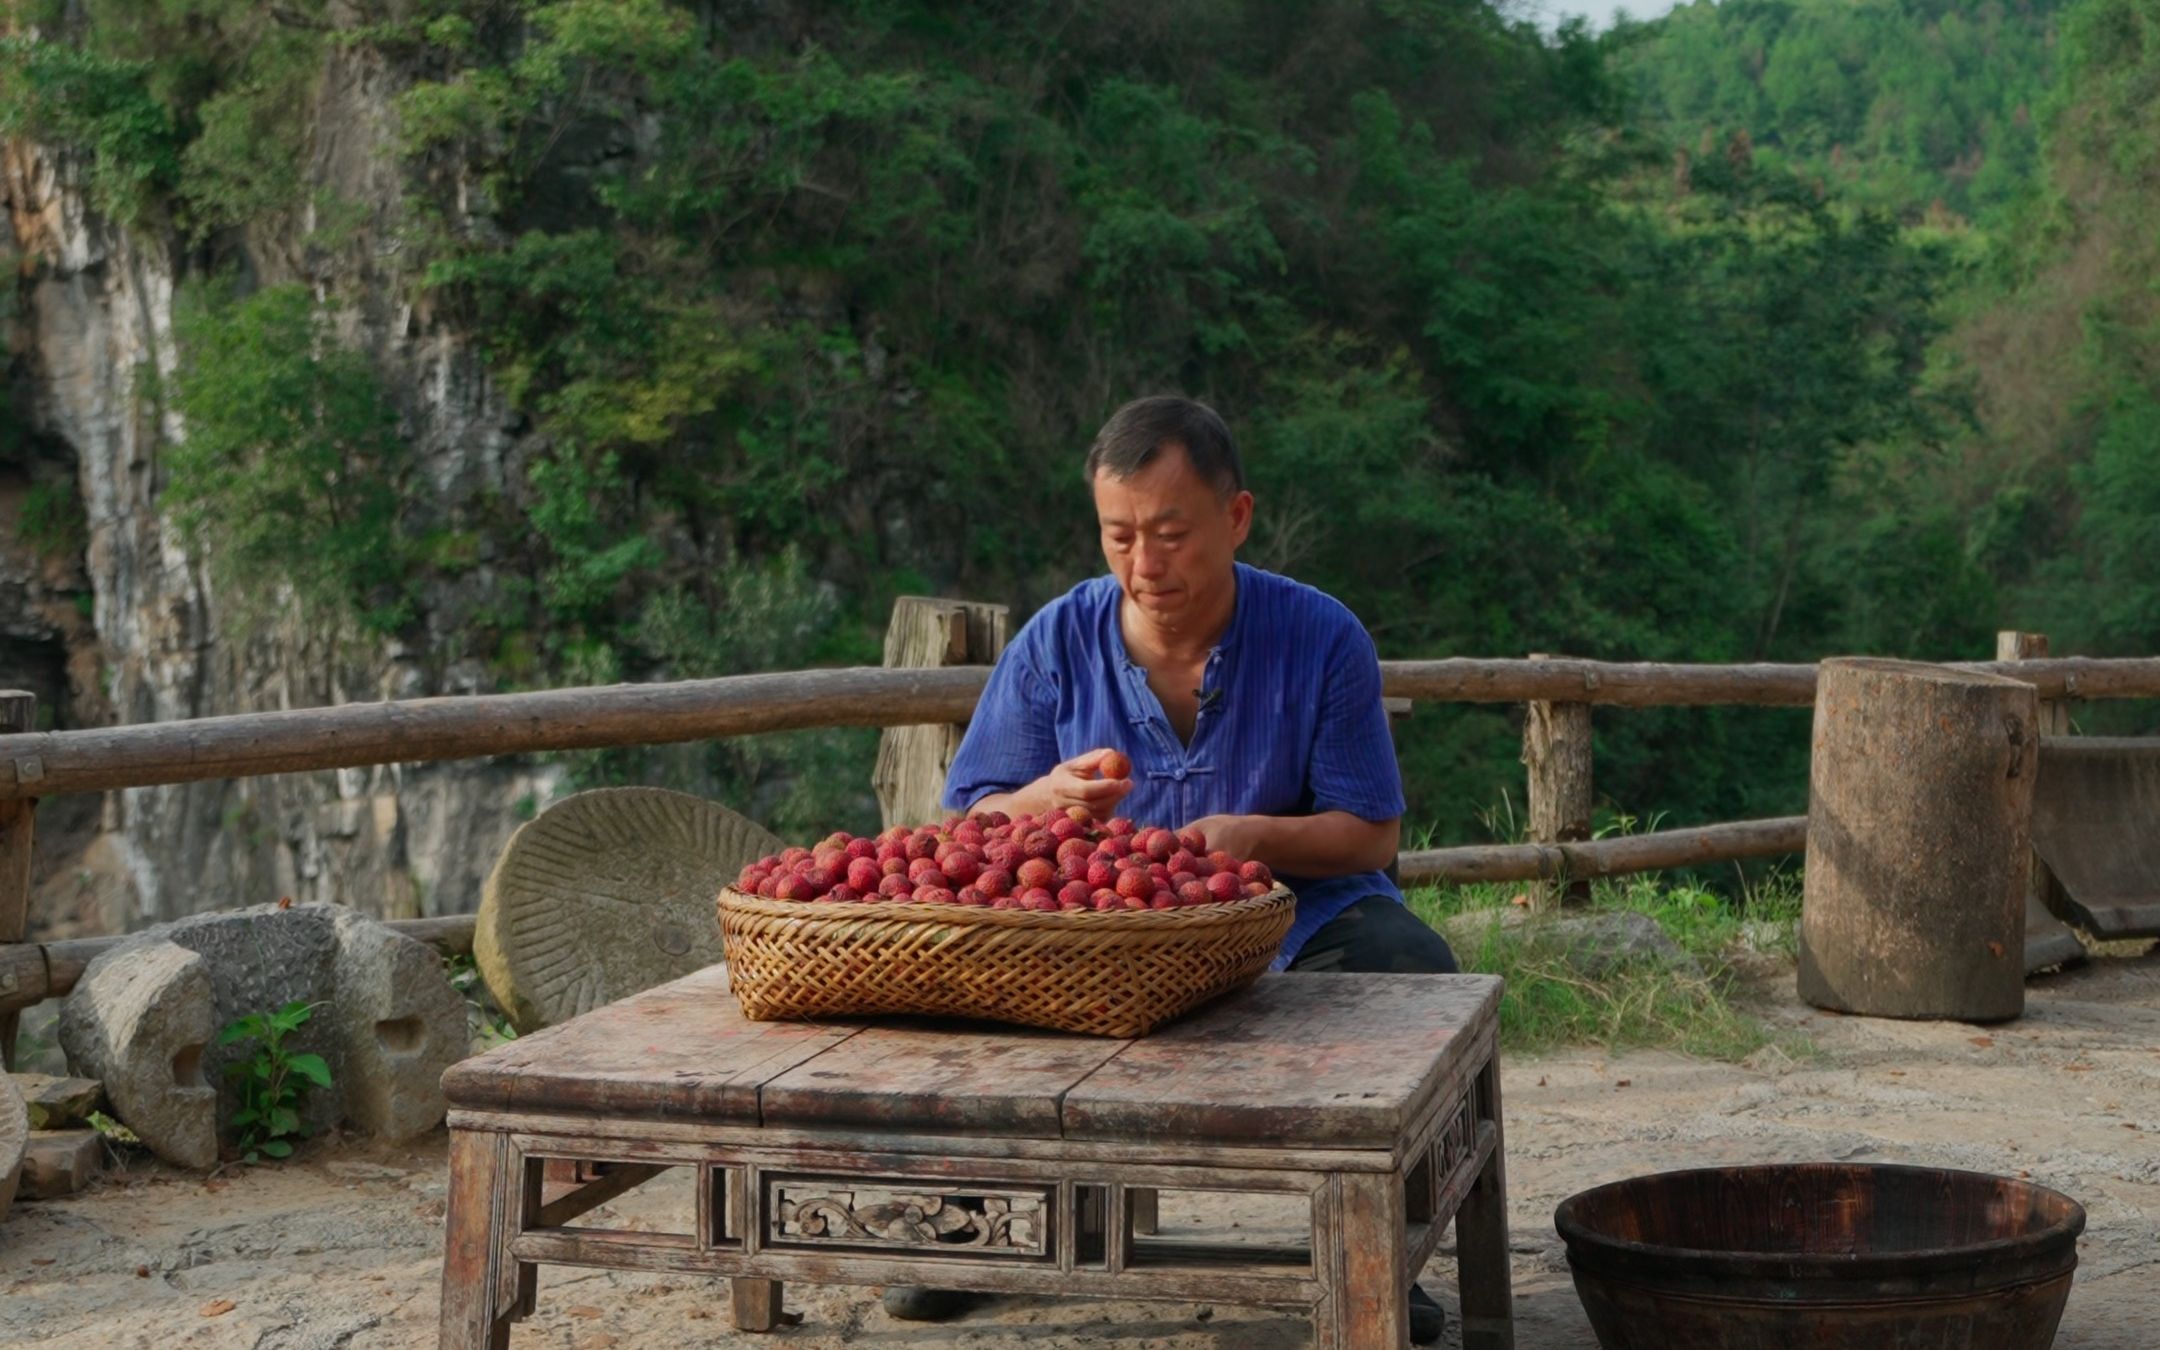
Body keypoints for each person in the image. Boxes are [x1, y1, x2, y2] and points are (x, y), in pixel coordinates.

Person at [880, 395, 1457, 1343]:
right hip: (1097, 934)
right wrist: (1047, 800)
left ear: (1236, 518)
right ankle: (969, 1232)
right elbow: (966, 820)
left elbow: (1372, 836)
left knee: (1409, 970)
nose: (1144, 565)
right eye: (1119, 536)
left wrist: (1247, 840)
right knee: (966, 981)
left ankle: (1384, 1250)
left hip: (1296, 913)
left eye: (1170, 534)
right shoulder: (1057, 643)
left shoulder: (1322, 637)